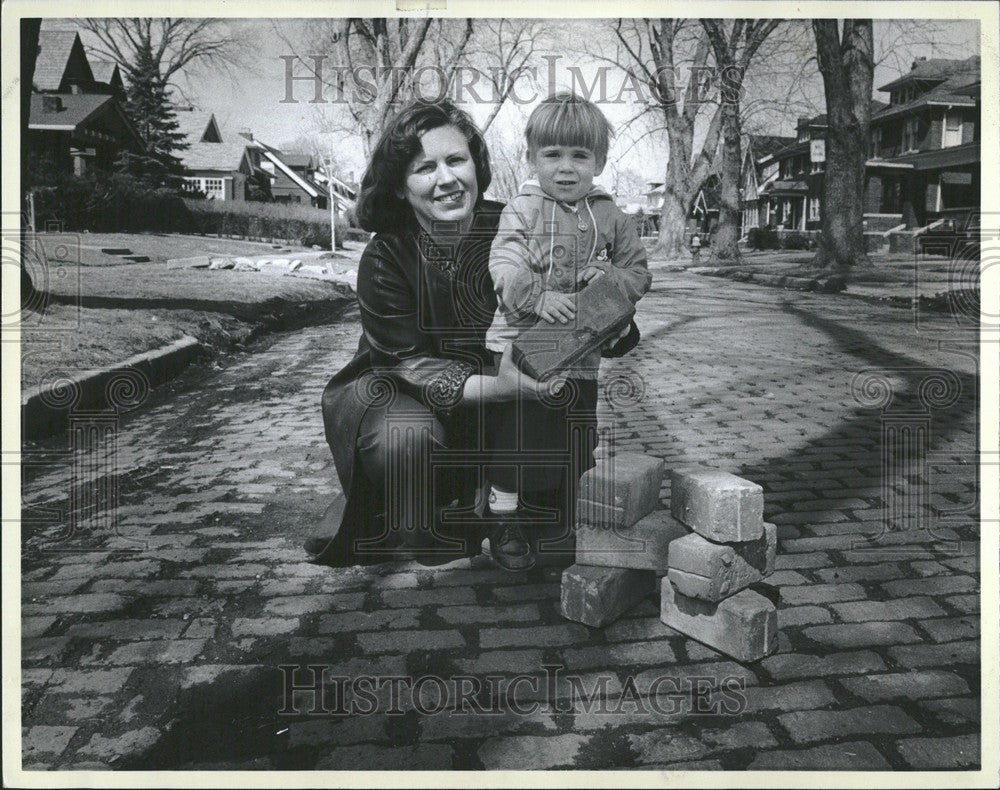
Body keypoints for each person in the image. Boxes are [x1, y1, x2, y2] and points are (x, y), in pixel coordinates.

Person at [309, 99, 569, 570]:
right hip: (400, 390)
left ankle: (502, 501)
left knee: (560, 413)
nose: (446, 179)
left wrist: (608, 319)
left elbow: (563, 299)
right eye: (424, 168)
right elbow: (410, 363)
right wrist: (499, 387)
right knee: (406, 441)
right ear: (400, 188)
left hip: (498, 387)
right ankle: (407, 508)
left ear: (476, 164)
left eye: (456, 160)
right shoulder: (386, 256)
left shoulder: (518, 225)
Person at [483, 92, 652, 570]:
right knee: (521, 435)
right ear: (532, 157)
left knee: (575, 439)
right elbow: (505, 260)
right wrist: (535, 296)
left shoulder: (612, 216)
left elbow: (637, 271)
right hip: (524, 347)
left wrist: (609, 285)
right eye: (552, 154)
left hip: (583, 355)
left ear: (598, 161)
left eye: (580, 155)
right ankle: (503, 516)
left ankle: (561, 517)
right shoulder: (523, 208)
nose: (565, 168)